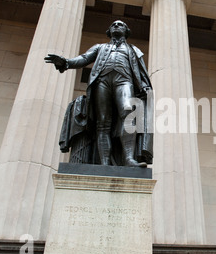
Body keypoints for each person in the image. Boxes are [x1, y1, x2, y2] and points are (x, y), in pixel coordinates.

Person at [45, 20, 153, 167]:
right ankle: (104, 163)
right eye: (113, 24)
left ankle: (128, 158)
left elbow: (141, 71)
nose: (116, 25)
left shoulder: (133, 50)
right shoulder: (100, 47)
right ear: (109, 31)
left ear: (126, 31)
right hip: (102, 81)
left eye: (120, 24)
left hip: (124, 80)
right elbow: (84, 58)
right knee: (103, 122)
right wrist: (66, 62)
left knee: (128, 113)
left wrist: (146, 86)